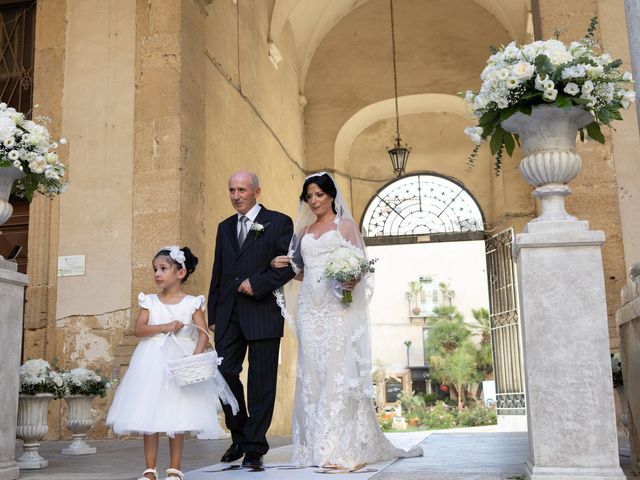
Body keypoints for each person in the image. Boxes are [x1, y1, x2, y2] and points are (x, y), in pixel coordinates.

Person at [270, 172, 423, 471]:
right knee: (311, 373)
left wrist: (352, 280)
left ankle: (338, 445)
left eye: (319, 195)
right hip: (309, 308)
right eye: (309, 196)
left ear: (331, 196)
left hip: (337, 306)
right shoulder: (303, 231)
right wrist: (283, 264)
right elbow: (302, 271)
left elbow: (361, 264)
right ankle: (313, 446)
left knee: (337, 371)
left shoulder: (346, 226)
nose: (314, 201)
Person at [107, 246, 238, 480]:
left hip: (180, 362)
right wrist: (165, 327)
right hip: (151, 361)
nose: (157, 273)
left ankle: (175, 468)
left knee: (177, 414)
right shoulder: (149, 301)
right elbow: (139, 329)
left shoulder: (191, 303)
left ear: (180, 272)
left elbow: (203, 333)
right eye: (155, 269)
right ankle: (149, 469)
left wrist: (194, 356)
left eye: (163, 268)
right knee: (150, 414)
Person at [208, 172, 295, 468]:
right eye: (231, 189)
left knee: (261, 381)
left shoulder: (279, 222)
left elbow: (289, 266)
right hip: (228, 314)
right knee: (224, 374)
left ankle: (255, 447)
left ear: (256, 191)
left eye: (241, 190)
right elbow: (218, 272)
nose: (235, 195)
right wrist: (213, 315)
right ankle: (240, 435)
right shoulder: (224, 227)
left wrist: (256, 284)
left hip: (262, 312)